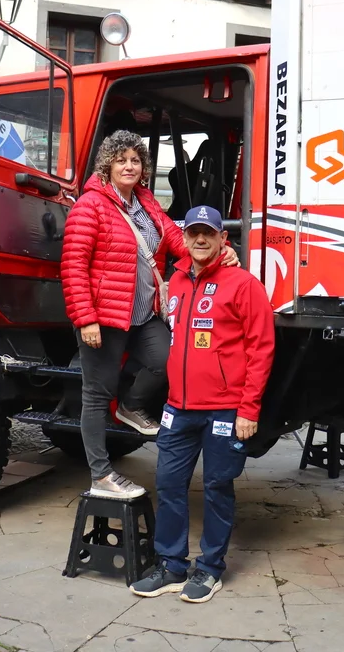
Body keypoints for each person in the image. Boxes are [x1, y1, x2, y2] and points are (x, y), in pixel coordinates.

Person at [61, 131, 238, 500]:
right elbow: (73, 266)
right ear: (107, 165)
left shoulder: (146, 202)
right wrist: (85, 318)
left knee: (168, 359)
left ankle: (131, 405)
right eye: (121, 160)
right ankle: (100, 475)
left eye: (136, 160)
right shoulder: (90, 206)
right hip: (104, 316)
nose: (129, 166)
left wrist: (220, 252)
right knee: (96, 395)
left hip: (143, 314)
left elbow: (176, 240)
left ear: (143, 167)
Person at [129, 205, 275, 603]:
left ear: (222, 239)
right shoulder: (175, 281)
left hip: (225, 409)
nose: (200, 239)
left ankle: (209, 569)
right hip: (178, 407)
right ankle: (172, 566)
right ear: (185, 238)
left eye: (208, 233)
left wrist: (248, 409)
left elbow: (261, 349)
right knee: (169, 483)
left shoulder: (244, 284)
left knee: (216, 486)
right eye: (193, 232)